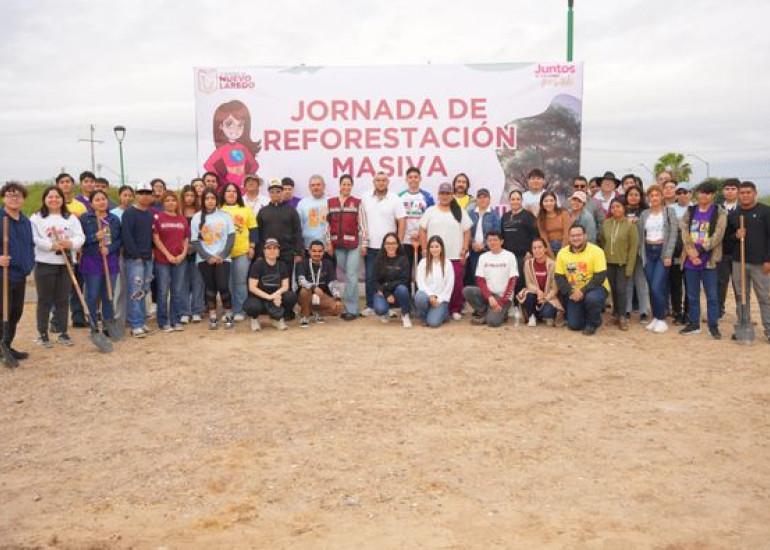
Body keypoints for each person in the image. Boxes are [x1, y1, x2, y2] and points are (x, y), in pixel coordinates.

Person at [31, 186, 85, 347]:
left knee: (62, 299)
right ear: (44, 199)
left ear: (62, 199)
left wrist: (70, 243)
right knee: (44, 300)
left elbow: (80, 236)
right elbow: (34, 238)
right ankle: (43, 334)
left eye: (57, 197)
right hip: (45, 263)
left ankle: (63, 332)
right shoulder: (36, 218)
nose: (54, 199)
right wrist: (51, 246)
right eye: (50, 197)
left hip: (65, 263)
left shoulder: (70, 218)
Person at [679, 181, 727, 339]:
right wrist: (691, 251)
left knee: (712, 296)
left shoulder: (719, 212)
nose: (704, 196)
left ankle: (713, 326)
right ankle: (694, 324)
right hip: (690, 259)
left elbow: (718, 235)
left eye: (708, 193)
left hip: (709, 259)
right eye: (701, 192)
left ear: (713, 195)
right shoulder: (691, 210)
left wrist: (699, 251)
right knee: (692, 295)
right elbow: (684, 229)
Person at [419, 182, 472, 321]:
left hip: (455, 255)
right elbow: (422, 230)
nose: (444, 196)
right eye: (442, 193)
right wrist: (424, 248)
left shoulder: (459, 211)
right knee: (435, 282)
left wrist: (464, 249)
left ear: (452, 195)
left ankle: (455, 309)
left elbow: (467, 231)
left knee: (456, 284)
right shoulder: (430, 211)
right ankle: (437, 307)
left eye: (447, 193)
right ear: (438, 195)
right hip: (434, 255)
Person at [725, 181, 770, 343]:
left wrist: (768, 260)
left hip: (761, 263)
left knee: (765, 297)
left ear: (755, 193)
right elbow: (727, 241)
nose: (745, 195)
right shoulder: (734, 215)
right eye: (742, 193)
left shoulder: (765, 211)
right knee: (741, 296)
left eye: (748, 192)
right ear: (738, 195)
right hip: (739, 262)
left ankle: (769, 329)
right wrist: (736, 236)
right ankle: (743, 325)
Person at [360, 172, 406, 316]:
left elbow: (402, 221)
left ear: (388, 182)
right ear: (374, 182)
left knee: (389, 278)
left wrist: (399, 242)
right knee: (370, 277)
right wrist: (363, 243)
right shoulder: (365, 198)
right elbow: (361, 221)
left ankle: (390, 306)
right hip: (371, 246)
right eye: (378, 180)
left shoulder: (395, 199)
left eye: (383, 180)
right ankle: (370, 305)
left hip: (389, 248)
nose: (381, 183)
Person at [191, 188, 235, 330]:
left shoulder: (225, 216)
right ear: (203, 200)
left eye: (213, 198)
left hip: (223, 258)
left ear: (217, 200)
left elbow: (231, 237)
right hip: (205, 259)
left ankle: (228, 314)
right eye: (207, 198)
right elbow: (195, 241)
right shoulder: (197, 217)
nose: (210, 201)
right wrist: (207, 257)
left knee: (223, 286)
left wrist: (222, 255)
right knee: (210, 289)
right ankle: (213, 316)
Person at [79, 190, 121, 339]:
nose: (101, 202)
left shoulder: (113, 219)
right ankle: (93, 325)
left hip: (110, 261)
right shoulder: (85, 219)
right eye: (97, 200)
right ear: (91, 203)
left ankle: (108, 324)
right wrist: (94, 237)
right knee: (92, 295)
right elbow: (80, 240)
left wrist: (109, 249)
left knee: (108, 294)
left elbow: (119, 240)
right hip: (92, 261)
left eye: (103, 199)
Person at [0, 182, 35, 363]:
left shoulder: (25, 221)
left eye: (18, 195)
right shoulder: (1, 218)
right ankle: (2, 347)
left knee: (15, 312)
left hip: (19, 275)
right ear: (3, 198)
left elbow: (29, 245)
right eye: (10, 195)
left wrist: (29, 264)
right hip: (2, 274)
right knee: (2, 313)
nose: (14, 198)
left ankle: (6, 344)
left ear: (23, 199)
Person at [637, 184, 679, 334]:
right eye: (651, 195)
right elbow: (640, 234)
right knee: (651, 286)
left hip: (662, 251)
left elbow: (673, 234)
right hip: (648, 252)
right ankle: (655, 316)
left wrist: (668, 254)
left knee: (657, 286)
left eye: (657, 195)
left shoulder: (669, 212)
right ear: (648, 198)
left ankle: (661, 319)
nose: (654, 198)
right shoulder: (644, 214)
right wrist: (641, 253)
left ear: (661, 197)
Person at [554, 224, 609, 335]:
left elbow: (600, 276)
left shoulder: (597, 251)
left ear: (585, 236)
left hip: (595, 288)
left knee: (592, 299)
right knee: (574, 325)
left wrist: (582, 291)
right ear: (569, 238)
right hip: (573, 291)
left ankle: (593, 323)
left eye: (579, 235)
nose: (576, 238)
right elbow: (559, 276)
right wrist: (571, 292)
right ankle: (589, 314)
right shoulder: (562, 253)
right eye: (573, 236)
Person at [326, 174, 368, 321]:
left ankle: (352, 309)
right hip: (337, 245)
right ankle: (347, 306)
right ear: (340, 185)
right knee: (346, 275)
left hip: (354, 245)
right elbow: (327, 224)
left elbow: (363, 225)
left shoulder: (357, 203)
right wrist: (328, 242)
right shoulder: (331, 202)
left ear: (352, 186)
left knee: (351, 275)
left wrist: (364, 244)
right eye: (344, 184)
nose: (346, 187)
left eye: (349, 184)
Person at [463, 230, 518, 327]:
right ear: (487, 242)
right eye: (489, 240)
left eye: (495, 240)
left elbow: (513, 281)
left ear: (501, 241)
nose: (492, 242)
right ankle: (486, 312)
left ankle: (496, 314)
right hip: (488, 295)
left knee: (493, 322)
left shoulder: (510, 256)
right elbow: (480, 280)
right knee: (467, 291)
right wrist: (489, 297)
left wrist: (501, 302)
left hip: (503, 297)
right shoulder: (483, 257)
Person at [152, 191, 189, 332]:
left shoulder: (182, 219)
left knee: (177, 291)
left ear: (177, 202)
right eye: (167, 200)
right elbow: (156, 238)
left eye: (173, 200)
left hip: (180, 260)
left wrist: (183, 254)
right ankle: (163, 322)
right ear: (163, 203)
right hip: (163, 260)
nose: (170, 203)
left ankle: (176, 320)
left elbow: (186, 238)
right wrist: (168, 255)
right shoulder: (158, 218)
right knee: (163, 291)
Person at [122, 183, 156, 338]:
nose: (145, 195)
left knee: (144, 290)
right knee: (135, 291)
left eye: (148, 192)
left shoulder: (149, 214)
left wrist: (150, 255)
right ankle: (135, 324)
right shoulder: (129, 213)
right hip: (134, 259)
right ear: (136, 194)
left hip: (148, 258)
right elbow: (127, 236)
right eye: (141, 192)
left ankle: (141, 321)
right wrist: (136, 256)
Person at [220, 183, 257, 321]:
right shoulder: (219, 210)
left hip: (242, 251)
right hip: (224, 253)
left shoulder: (246, 209)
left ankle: (240, 310)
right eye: (228, 191)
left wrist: (252, 247)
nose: (231, 193)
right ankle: (229, 310)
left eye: (234, 191)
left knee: (240, 282)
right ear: (223, 194)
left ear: (238, 194)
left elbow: (253, 230)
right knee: (227, 283)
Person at [54, 173, 87, 328]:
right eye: (62, 182)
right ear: (57, 185)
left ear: (73, 185)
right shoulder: (53, 204)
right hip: (57, 252)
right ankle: (56, 320)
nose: (65, 184)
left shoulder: (80, 206)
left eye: (68, 181)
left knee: (77, 285)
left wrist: (80, 247)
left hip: (76, 251)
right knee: (59, 289)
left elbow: (83, 230)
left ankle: (78, 317)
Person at [243, 238, 297, 331]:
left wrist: (276, 295)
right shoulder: (257, 265)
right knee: (252, 306)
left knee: (290, 296)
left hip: (276, 298)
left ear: (278, 252)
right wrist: (269, 297)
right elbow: (252, 287)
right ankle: (254, 319)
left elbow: (285, 286)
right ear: (264, 251)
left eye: (275, 248)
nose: (272, 250)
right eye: (269, 248)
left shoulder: (282, 265)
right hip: (260, 298)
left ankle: (276, 318)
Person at [601, 199, 638, 330]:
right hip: (608, 262)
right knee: (613, 289)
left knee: (621, 290)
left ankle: (622, 316)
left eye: (618, 206)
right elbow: (602, 241)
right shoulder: (606, 223)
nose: (615, 209)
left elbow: (633, 248)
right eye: (612, 207)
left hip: (623, 263)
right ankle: (615, 314)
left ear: (624, 208)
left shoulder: (630, 225)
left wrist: (630, 268)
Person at [257, 180, 303, 274]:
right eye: (272, 192)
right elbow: (259, 234)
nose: (275, 194)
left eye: (278, 191)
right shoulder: (263, 211)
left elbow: (297, 232)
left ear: (282, 192)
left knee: (286, 280)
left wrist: (298, 252)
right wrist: (259, 254)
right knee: (269, 280)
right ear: (269, 193)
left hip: (287, 254)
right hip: (268, 253)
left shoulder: (291, 211)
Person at [516, 237, 563, 327]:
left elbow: (554, 288)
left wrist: (545, 297)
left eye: (540, 247)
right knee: (528, 295)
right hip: (535, 294)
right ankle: (532, 317)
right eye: (534, 248)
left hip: (548, 296)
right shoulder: (528, 263)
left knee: (548, 312)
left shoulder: (553, 264)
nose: (537, 250)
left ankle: (543, 315)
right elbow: (529, 283)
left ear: (545, 249)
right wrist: (538, 291)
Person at [296, 240, 343, 327]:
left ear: (323, 252)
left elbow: (333, 283)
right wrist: (314, 288)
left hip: (320, 296)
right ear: (309, 252)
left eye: (320, 251)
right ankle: (305, 316)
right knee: (304, 291)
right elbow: (301, 280)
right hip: (305, 296)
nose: (317, 254)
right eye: (314, 251)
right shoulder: (302, 263)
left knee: (337, 309)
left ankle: (317, 313)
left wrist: (337, 298)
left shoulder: (328, 264)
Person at [622, 185, 651, 324]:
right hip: (625, 252)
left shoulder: (646, 212)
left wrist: (637, 223)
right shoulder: (621, 211)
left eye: (636, 195)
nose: (633, 197)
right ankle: (626, 310)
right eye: (630, 194)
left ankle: (643, 311)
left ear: (641, 197)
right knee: (627, 281)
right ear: (626, 196)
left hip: (640, 252)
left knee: (641, 282)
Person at [501, 189, 538, 293]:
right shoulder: (505, 216)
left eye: (518, 199)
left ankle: (520, 301)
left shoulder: (528, 215)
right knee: (509, 281)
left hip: (523, 256)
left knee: (521, 281)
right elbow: (502, 236)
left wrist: (530, 251)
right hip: (508, 256)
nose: (515, 201)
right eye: (513, 199)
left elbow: (535, 235)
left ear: (521, 201)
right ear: (509, 201)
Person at [398, 166, 435, 274]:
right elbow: (397, 220)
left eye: (416, 177)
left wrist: (420, 234)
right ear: (406, 179)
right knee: (405, 272)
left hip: (423, 240)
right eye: (410, 177)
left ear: (420, 178)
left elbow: (431, 219)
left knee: (423, 271)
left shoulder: (427, 196)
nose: (413, 179)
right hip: (405, 240)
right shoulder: (400, 197)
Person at [373, 232, 412, 328]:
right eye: (388, 243)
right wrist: (386, 294)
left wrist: (386, 286)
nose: (391, 246)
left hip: (397, 292)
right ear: (384, 245)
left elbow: (404, 280)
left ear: (398, 245)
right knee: (380, 309)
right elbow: (375, 280)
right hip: (383, 292)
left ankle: (405, 314)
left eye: (393, 243)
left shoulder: (403, 259)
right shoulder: (379, 259)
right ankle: (386, 312)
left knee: (402, 289)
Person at [414, 235, 454, 328]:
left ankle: (443, 313)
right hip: (427, 297)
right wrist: (431, 295)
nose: (434, 249)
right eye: (431, 247)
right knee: (419, 296)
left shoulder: (448, 263)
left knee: (433, 323)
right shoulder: (423, 262)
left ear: (441, 248)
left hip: (440, 299)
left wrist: (438, 299)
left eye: (437, 246)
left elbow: (449, 285)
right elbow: (420, 282)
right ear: (428, 248)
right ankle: (424, 317)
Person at [179, 184, 204, 323]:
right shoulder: (178, 212)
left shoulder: (201, 213)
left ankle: (197, 311)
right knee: (183, 282)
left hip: (198, 251)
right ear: (183, 197)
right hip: (180, 251)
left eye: (192, 196)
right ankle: (184, 311)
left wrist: (194, 246)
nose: (189, 198)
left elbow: (205, 232)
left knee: (198, 282)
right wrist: (184, 247)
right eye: (187, 195)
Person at [466, 188, 501, 286]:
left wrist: (484, 245)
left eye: (485, 197)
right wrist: (472, 243)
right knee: (476, 277)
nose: (482, 199)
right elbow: (467, 231)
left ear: (489, 199)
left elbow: (497, 232)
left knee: (488, 277)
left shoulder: (494, 215)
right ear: (476, 199)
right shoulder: (470, 214)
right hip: (473, 252)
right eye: (480, 197)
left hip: (488, 251)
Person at [717, 178, 740, 317]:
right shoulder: (717, 208)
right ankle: (718, 310)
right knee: (721, 283)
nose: (730, 191)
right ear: (723, 191)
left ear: (738, 191)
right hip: (722, 252)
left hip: (739, 253)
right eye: (727, 189)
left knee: (739, 285)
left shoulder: (743, 208)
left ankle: (742, 313)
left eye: (733, 189)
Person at [297, 175, 329, 252]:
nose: (315, 187)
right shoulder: (302, 203)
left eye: (318, 185)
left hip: (326, 247)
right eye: (313, 185)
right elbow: (297, 226)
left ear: (324, 186)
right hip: (307, 247)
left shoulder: (331, 202)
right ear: (309, 187)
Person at [537, 191, 571, 257]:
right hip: (550, 246)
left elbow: (567, 233)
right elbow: (544, 239)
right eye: (546, 201)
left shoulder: (563, 213)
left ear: (555, 202)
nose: (549, 203)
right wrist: (551, 256)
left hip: (565, 244)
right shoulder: (540, 218)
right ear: (542, 203)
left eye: (551, 200)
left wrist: (562, 253)